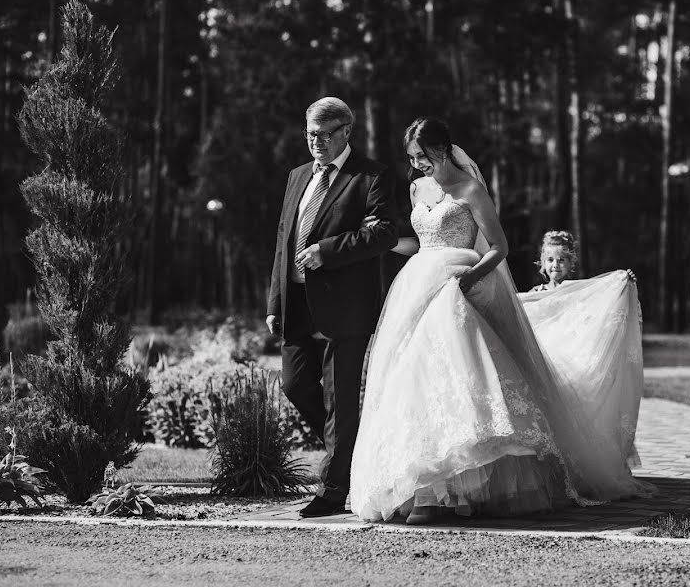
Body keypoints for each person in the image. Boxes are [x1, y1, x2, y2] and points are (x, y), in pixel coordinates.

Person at [350, 117, 652, 525]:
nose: (418, 164)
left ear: (443, 148)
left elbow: (499, 247)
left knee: (463, 374)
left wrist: (468, 280)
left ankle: (459, 488)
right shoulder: (416, 188)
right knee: (413, 377)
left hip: (458, 287)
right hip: (418, 285)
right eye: (412, 157)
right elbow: (420, 243)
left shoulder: (471, 189)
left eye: (423, 155)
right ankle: (422, 483)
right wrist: (383, 242)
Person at [267, 97, 398, 518]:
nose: (316, 143)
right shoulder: (297, 176)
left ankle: (333, 491)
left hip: (345, 306)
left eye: (324, 135)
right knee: (295, 385)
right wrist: (274, 301)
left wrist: (328, 251)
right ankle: (351, 451)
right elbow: (283, 241)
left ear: (346, 132)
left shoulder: (372, 177)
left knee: (340, 400)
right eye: (310, 135)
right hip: (297, 303)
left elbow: (384, 234)